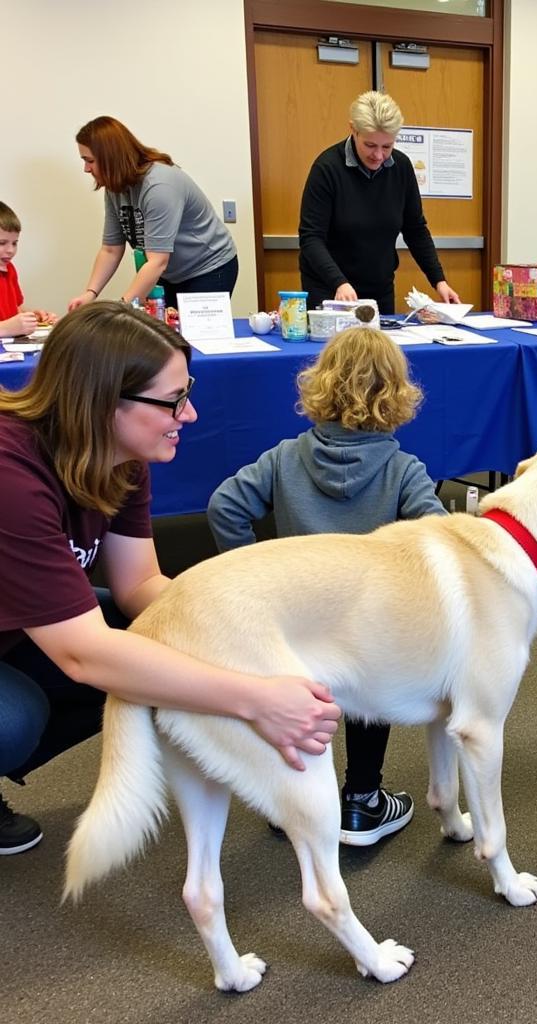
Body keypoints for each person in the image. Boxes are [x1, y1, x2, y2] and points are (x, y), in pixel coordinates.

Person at [0, 303, 340, 855]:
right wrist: (256, 699)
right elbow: (83, 654)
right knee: (17, 721)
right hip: (43, 636)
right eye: (174, 400)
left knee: (165, 650)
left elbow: (141, 588)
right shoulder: (12, 478)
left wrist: (247, 629)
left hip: (24, 626)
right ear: (106, 402)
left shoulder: (120, 456)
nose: (191, 415)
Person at [207, 326, 445, 846]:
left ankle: (290, 803)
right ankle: (361, 803)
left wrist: (253, 575)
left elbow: (225, 506)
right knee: (370, 699)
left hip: (294, 619)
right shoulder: (404, 471)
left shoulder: (284, 457)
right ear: (398, 396)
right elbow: (438, 540)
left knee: (295, 703)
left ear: (320, 384)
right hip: (370, 627)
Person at [298, 90, 461, 314]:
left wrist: (439, 280)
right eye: (370, 145)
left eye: (387, 146)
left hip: (378, 288)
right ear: (353, 130)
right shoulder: (327, 169)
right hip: (331, 288)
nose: (378, 155)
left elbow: (415, 230)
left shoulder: (401, 168)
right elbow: (311, 238)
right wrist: (339, 282)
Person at [67, 116, 239, 312]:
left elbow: (158, 261)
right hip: (168, 272)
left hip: (208, 267)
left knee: (192, 336)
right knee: (164, 333)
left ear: (111, 157)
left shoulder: (160, 185)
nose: (86, 169)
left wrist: (122, 310)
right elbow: (111, 249)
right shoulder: (114, 188)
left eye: (90, 161)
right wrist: (90, 293)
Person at [0, 202, 57, 337]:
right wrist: (5, 328)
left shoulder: (9, 269)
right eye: (2, 243)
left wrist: (31, 317)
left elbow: (15, 309)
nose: (10, 250)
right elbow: (8, 326)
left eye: (14, 243)